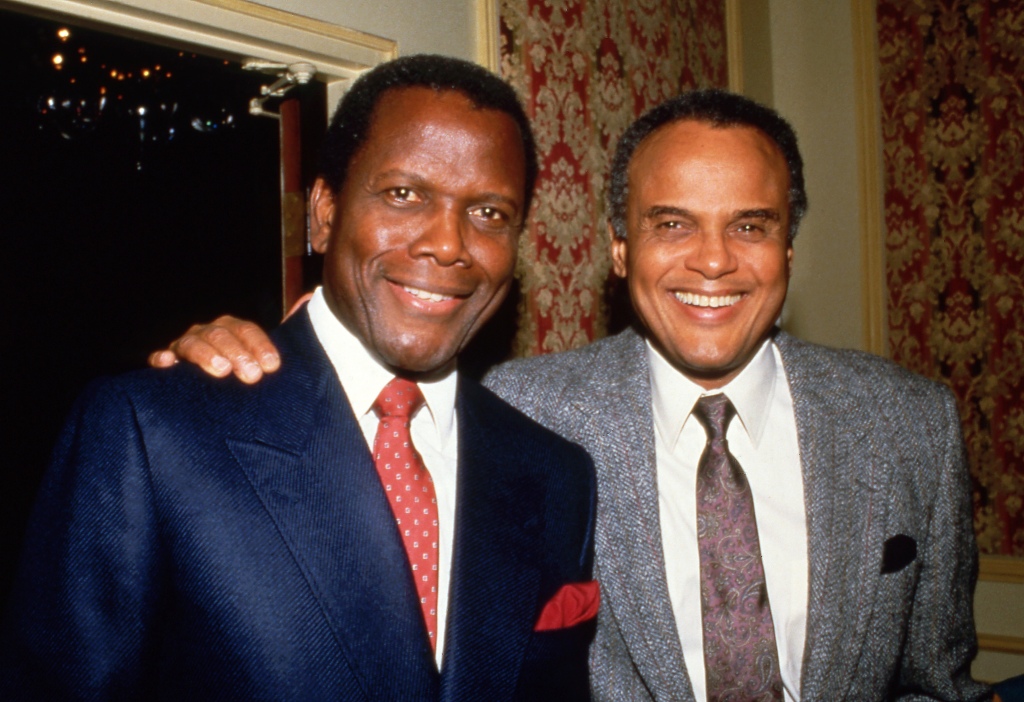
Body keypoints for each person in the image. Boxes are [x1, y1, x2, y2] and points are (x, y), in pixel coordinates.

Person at [147, 89, 989, 701]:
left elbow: (935, 680)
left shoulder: (908, 424)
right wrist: (265, 355)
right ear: (619, 251)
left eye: (750, 225)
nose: (712, 260)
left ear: (789, 251)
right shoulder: (522, 418)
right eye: (671, 223)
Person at [0, 55, 598, 701]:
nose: (448, 244)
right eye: (404, 194)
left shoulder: (555, 473)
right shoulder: (154, 433)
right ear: (322, 212)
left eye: (489, 213)